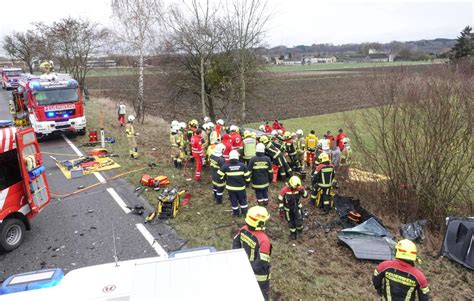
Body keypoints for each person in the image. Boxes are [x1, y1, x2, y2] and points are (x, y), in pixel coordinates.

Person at [232, 206, 272, 299]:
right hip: (259, 276)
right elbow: (262, 261)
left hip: (244, 268)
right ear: (260, 222)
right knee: (261, 295)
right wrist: (252, 269)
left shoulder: (243, 229)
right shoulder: (264, 240)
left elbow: (235, 243)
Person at [218, 150, 250, 216]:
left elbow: (219, 174)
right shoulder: (243, 166)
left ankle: (236, 213)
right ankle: (245, 213)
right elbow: (247, 176)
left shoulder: (225, 166)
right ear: (237, 157)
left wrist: (223, 179)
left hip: (230, 188)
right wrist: (247, 183)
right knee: (243, 200)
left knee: (233, 200)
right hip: (241, 188)